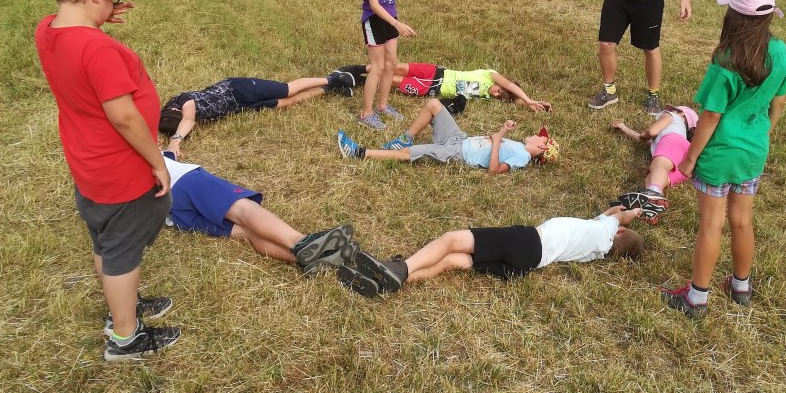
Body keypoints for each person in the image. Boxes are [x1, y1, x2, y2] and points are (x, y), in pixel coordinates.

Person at [34, 0, 179, 362]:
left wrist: (95, 19)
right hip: (120, 168)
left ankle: (122, 306)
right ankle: (125, 337)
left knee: (105, 238)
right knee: (122, 249)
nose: (114, 5)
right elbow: (124, 116)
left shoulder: (48, 30)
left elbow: (74, 36)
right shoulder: (96, 48)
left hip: (88, 163)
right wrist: (157, 161)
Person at [662, 0, 786, 319]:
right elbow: (778, 101)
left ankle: (696, 298)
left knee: (711, 224)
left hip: (719, 154)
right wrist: (763, 132)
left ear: (733, 16)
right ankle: (741, 287)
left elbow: (711, 116)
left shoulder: (727, 60)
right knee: (742, 221)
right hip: (753, 151)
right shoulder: (781, 53)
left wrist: (690, 158)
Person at [158, 149, 397, 295]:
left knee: (248, 232)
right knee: (242, 208)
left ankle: (323, 262)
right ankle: (301, 242)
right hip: (179, 179)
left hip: (169, 213)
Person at [340, 205, 644, 293]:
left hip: (529, 240)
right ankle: (386, 283)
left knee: (451, 239)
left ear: (619, 233)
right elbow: (605, 217)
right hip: (527, 264)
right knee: (452, 260)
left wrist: (633, 212)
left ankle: (400, 268)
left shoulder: (607, 230)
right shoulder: (597, 247)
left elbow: (618, 215)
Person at [355, 0, 436, 130]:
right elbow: (374, 5)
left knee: (391, 63)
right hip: (376, 21)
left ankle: (382, 106)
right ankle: (366, 113)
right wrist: (396, 23)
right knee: (378, 67)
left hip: (391, 18)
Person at [337, 98, 559, 174]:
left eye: (540, 137)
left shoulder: (522, 158)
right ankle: (405, 137)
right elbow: (493, 143)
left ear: (542, 147)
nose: (536, 135)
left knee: (408, 154)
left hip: (456, 152)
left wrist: (498, 138)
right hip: (460, 139)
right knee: (434, 104)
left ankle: (358, 152)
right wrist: (499, 134)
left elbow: (494, 170)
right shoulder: (519, 147)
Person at [159, 71, 356, 156]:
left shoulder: (183, 100)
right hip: (238, 107)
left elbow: (189, 118)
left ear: (174, 109)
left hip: (238, 89)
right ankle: (328, 90)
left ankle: (332, 79)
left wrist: (175, 141)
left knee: (288, 90)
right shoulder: (165, 117)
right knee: (287, 102)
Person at [343, 62, 552, 112]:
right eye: (500, 91)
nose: (497, 94)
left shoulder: (487, 96)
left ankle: (363, 80)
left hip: (432, 87)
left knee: (395, 81)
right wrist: (529, 99)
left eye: (500, 97)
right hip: (437, 72)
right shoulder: (490, 75)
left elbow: (513, 98)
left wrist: (530, 104)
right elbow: (509, 86)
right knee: (399, 67)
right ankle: (359, 69)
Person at [611, 104, 698, 223]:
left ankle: (654, 193)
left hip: (672, 140)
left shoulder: (673, 116)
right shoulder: (670, 137)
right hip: (685, 157)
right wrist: (623, 127)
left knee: (659, 166)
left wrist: (646, 134)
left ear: (682, 113)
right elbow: (643, 139)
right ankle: (650, 209)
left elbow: (651, 132)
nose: (667, 111)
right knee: (652, 177)